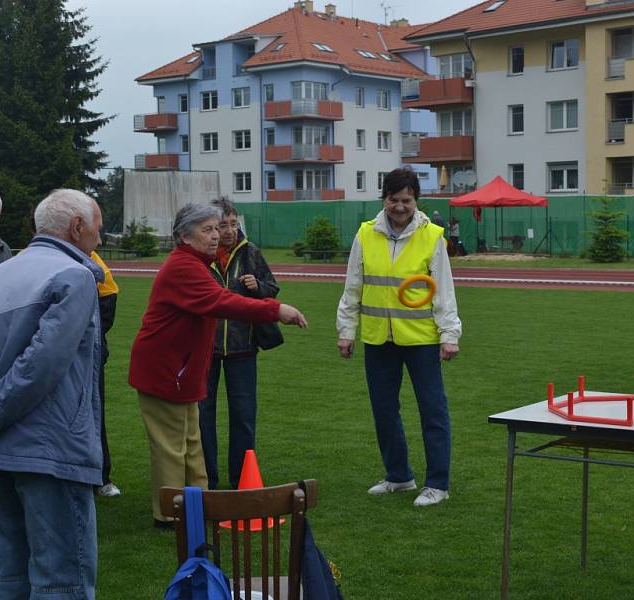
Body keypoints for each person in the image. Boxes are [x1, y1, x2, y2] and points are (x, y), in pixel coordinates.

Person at [0, 189, 105, 599]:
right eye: (97, 228)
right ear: (77, 227)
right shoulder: (73, 276)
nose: (99, 239)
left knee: (11, 579)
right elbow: (40, 366)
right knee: (62, 582)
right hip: (50, 454)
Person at [128, 202, 308, 527]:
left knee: (191, 442)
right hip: (165, 371)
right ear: (184, 235)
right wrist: (276, 309)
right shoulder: (184, 266)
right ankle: (170, 516)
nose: (217, 236)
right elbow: (221, 301)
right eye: (207, 229)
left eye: (218, 228)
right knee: (171, 447)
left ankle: (200, 504)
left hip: (181, 372)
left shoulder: (196, 263)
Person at [336, 168, 462, 508]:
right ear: (384, 199)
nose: (400, 207)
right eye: (394, 200)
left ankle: (438, 483)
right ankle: (399, 476)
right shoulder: (365, 234)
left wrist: (450, 335)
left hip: (421, 339)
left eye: (407, 200)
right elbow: (353, 286)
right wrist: (346, 331)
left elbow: (444, 292)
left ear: (416, 200)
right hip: (378, 338)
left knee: (432, 410)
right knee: (384, 410)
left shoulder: (433, 235)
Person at [198, 197, 280, 490]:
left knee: (243, 416)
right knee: (202, 415)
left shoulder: (251, 253)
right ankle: (205, 479)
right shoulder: (200, 256)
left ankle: (242, 482)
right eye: (223, 225)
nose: (230, 230)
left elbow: (272, 286)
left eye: (234, 224)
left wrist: (258, 287)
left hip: (243, 347)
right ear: (211, 229)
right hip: (205, 350)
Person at [90, 250, 121, 498]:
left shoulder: (95, 262)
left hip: (89, 354)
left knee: (94, 413)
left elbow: (106, 312)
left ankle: (101, 476)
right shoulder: (29, 255)